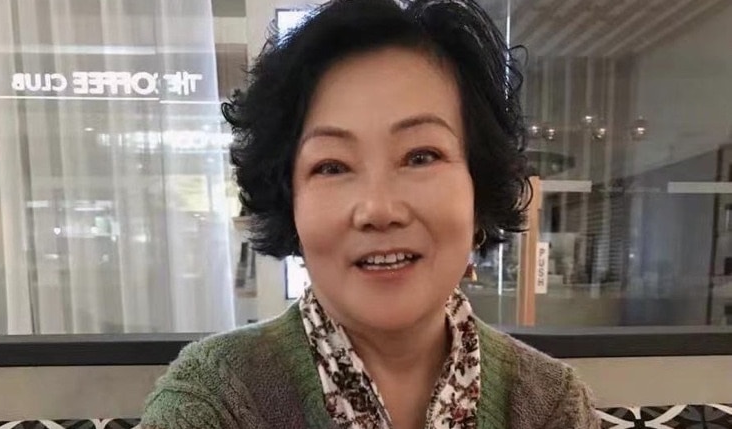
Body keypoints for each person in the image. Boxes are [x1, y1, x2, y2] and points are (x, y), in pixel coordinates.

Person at [141, 0, 600, 428]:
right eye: (332, 166)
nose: (378, 210)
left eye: (420, 156)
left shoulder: (548, 404)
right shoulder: (216, 401)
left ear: (478, 189)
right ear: (290, 204)